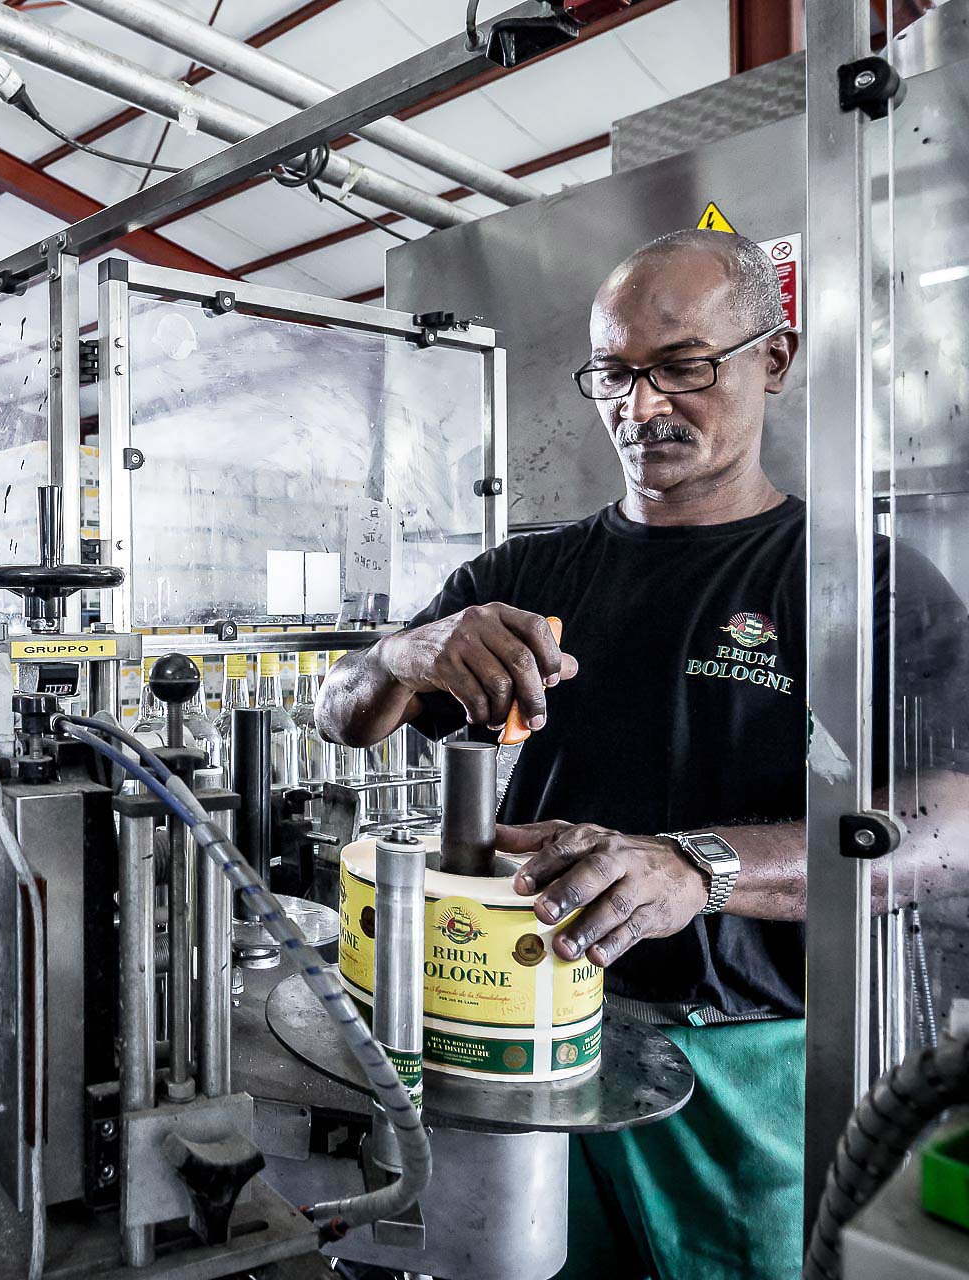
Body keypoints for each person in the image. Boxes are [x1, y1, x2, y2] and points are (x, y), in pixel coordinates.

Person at [315, 228, 969, 1280]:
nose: (644, 404)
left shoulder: (856, 580)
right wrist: (404, 650)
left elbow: (953, 821)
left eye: (684, 366)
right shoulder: (524, 571)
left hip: (744, 1070)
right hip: (516, 1035)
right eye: (616, 372)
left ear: (775, 358)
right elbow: (343, 713)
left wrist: (697, 868)